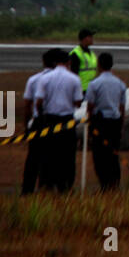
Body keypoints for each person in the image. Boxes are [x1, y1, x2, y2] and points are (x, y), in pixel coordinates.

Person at [35, 51, 84, 192]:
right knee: (67, 154)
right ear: (68, 62)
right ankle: (66, 185)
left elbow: (39, 101)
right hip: (67, 120)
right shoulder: (74, 79)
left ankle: (48, 184)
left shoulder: (45, 78)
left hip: (49, 119)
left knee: (48, 153)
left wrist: (41, 113)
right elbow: (78, 102)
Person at [21, 49, 62, 194]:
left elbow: (27, 105)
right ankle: (47, 186)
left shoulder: (33, 79)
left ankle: (27, 190)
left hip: (38, 121)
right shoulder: (62, 79)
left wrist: (27, 125)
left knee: (33, 158)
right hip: (54, 121)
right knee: (53, 157)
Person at [84, 52, 127, 190]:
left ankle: (104, 184)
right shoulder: (120, 83)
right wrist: (121, 125)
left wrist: (90, 124)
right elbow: (122, 108)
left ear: (99, 65)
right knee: (113, 155)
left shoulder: (94, 84)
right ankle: (114, 183)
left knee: (99, 155)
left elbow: (90, 107)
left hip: (100, 123)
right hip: (114, 122)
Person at [70, 28, 98, 95]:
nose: (92, 38)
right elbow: (73, 74)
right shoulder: (75, 54)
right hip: (81, 90)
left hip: (91, 88)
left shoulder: (92, 53)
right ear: (85, 39)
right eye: (90, 37)